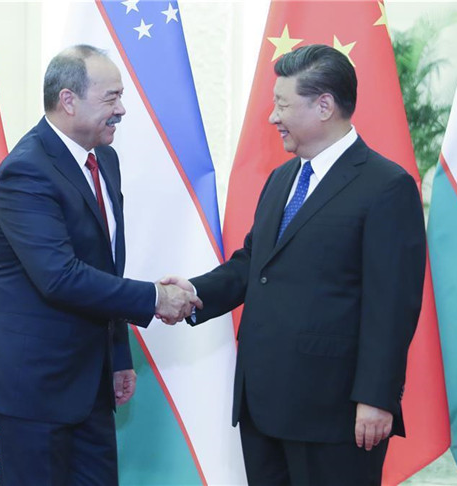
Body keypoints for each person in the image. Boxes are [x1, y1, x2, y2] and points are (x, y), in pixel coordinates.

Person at [163, 44, 426, 485]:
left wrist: (376, 397)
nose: (272, 117)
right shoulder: (282, 178)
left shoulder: (386, 186)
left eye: (282, 105)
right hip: (263, 404)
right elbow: (255, 263)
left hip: (334, 412)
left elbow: (393, 305)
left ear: (324, 106)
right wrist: (194, 292)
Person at [0, 45, 200, 486]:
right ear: (68, 100)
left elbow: (103, 267)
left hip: (88, 382)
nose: (122, 110)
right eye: (111, 98)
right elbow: (60, 277)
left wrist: (117, 355)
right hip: (28, 389)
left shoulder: (104, 160)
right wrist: (155, 297)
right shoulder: (25, 171)